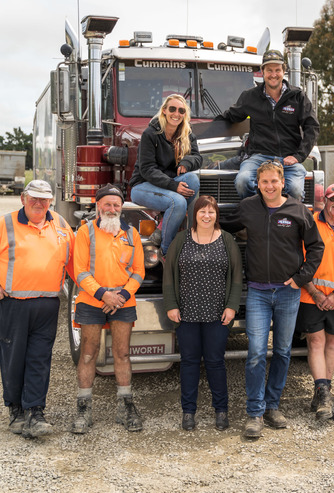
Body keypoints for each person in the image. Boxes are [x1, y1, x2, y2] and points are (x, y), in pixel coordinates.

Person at [223, 161, 324, 438]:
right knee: (256, 352)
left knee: (281, 351)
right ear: (257, 183)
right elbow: (221, 224)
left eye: (274, 181)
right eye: (264, 182)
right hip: (257, 292)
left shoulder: (298, 210)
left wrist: (302, 277)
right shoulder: (249, 207)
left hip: (288, 292)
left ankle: (273, 406)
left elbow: (316, 246)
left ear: (283, 183)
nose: (269, 186)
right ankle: (255, 412)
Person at [0, 180, 74, 438]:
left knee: (40, 359)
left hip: (48, 304)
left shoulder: (62, 225)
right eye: (34, 198)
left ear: (51, 201)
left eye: (44, 199)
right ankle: (15, 410)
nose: (39, 203)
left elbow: (75, 262)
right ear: (23, 198)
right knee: (13, 358)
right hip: (13, 304)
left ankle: (35, 411)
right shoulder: (6, 223)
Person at [70, 184, 145, 434]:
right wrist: (104, 294)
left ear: (122, 208)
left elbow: (138, 271)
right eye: (107, 204)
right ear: (98, 206)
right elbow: (79, 271)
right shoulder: (85, 232)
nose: (112, 209)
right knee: (89, 353)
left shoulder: (131, 233)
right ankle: (84, 409)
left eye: (116, 205)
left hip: (123, 300)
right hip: (92, 300)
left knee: (122, 354)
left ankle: (126, 407)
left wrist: (121, 295)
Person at [163, 195, 242, 431]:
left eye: (211, 212)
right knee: (188, 362)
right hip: (186, 313)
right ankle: (188, 412)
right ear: (193, 215)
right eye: (202, 212)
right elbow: (169, 275)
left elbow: (237, 276)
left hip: (217, 314)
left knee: (215, 362)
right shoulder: (181, 239)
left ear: (217, 215)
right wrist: (171, 304)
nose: (206, 216)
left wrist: (231, 306)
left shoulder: (227, 240)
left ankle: (221, 411)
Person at [296, 183, 334, 421]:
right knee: (315, 342)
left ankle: (324, 392)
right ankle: (323, 394)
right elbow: (299, 258)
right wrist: (315, 293)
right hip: (311, 295)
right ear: (325, 200)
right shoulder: (310, 223)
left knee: (332, 345)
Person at [220, 49, 319, 200]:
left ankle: (286, 221)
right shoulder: (250, 97)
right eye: (269, 70)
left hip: (288, 159)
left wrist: (299, 156)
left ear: (284, 71)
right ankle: (259, 216)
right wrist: (195, 130)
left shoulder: (298, 97)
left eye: (277, 70)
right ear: (262, 72)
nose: (273, 74)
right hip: (258, 157)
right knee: (242, 181)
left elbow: (312, 127)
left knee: (296, 190)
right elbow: (230, 116)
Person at [130, 94, 202, 255]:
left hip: (169, 184)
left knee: (192, 179)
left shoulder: (187, 134)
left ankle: (167, 229)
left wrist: (186, 163)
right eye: (172, 109)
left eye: (181, 110)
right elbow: (147, 169)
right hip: (142, 185)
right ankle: (167, 253)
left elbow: (198, 157)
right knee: (178, 202)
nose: (176, 114)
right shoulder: (150, 134)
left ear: (185, 114)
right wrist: (173, 186)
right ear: (164, 111)